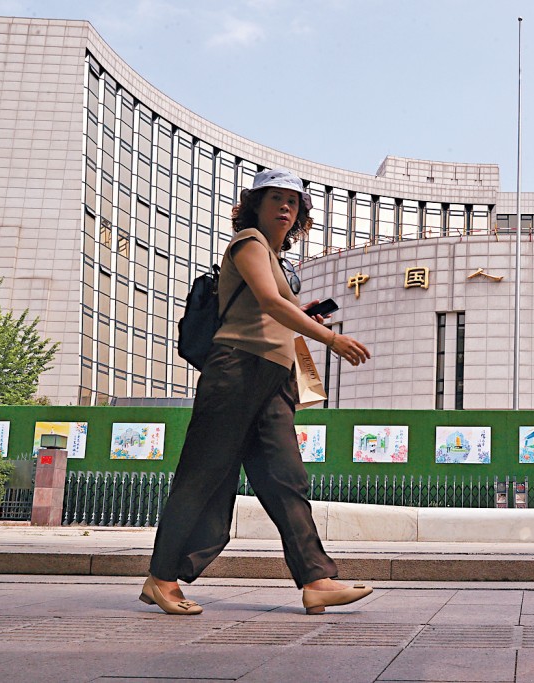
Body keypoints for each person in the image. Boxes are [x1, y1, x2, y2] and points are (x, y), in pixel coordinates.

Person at [141, 168, 371, 616]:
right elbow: (268, 303)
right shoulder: (248, 241)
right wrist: (331, 340)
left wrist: (301, 316)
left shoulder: (275, 257)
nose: (286, 208)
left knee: (287, 479)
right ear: (256, 205)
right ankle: (161, 578)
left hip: (272, 379)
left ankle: (316, 580)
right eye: (276, 199)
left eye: (294, 202)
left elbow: (275, 306)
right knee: (205, 474)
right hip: (236, 370)